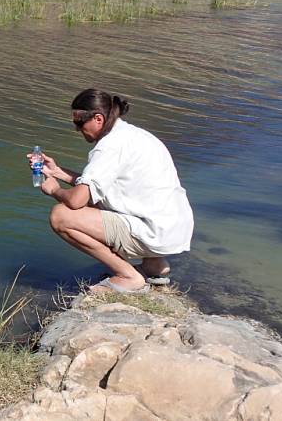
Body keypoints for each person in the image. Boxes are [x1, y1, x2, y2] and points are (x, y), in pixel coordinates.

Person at [28, 89, 193, 293]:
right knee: (100, 200)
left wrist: (54, 190)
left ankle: (128, 276)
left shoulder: (110, 146)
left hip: (154, 232)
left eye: (79, 123)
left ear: (98, 118)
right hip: (173, 228)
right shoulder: (133, 135)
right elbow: (102, 186)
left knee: (61, 215)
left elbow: (76, 201)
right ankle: (154, 266)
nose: (77, 129)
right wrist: (59, 172)